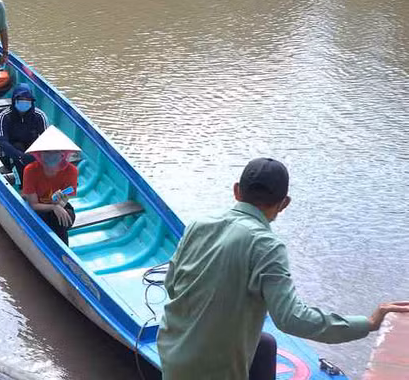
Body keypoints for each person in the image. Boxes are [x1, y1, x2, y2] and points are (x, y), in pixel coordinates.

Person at [157, 157, 409, 380]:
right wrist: (368, 323)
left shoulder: (198, 225)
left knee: (264, 345)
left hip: (172, 353)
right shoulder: (266, 245)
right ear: (284, 203)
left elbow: (172, 285)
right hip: (211, 372)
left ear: (236, 191)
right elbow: (291, 319)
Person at [21, 126, 80, 245]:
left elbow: (65, 199)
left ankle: (63, 250)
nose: (51, 155)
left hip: (59, 206)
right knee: (46, 219)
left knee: (62, 220)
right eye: (47, 152)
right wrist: (53, 207)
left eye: (55, 152)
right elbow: (33, 204)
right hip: (39, 208)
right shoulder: (30, 170)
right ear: (40, 154)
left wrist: (58, 204)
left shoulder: (72, 171)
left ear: (62, 154)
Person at [0, 83, 49, 185]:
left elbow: (46, 140)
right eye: (21, 100)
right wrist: (20, 156)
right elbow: (2, 142)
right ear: (14, 100)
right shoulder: (4, 116)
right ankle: (22, 184)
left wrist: (36, 156)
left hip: (31, 152)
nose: (24, 102)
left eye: (27, 100)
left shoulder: (39, 116)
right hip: (11, 153)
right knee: (17, 147)